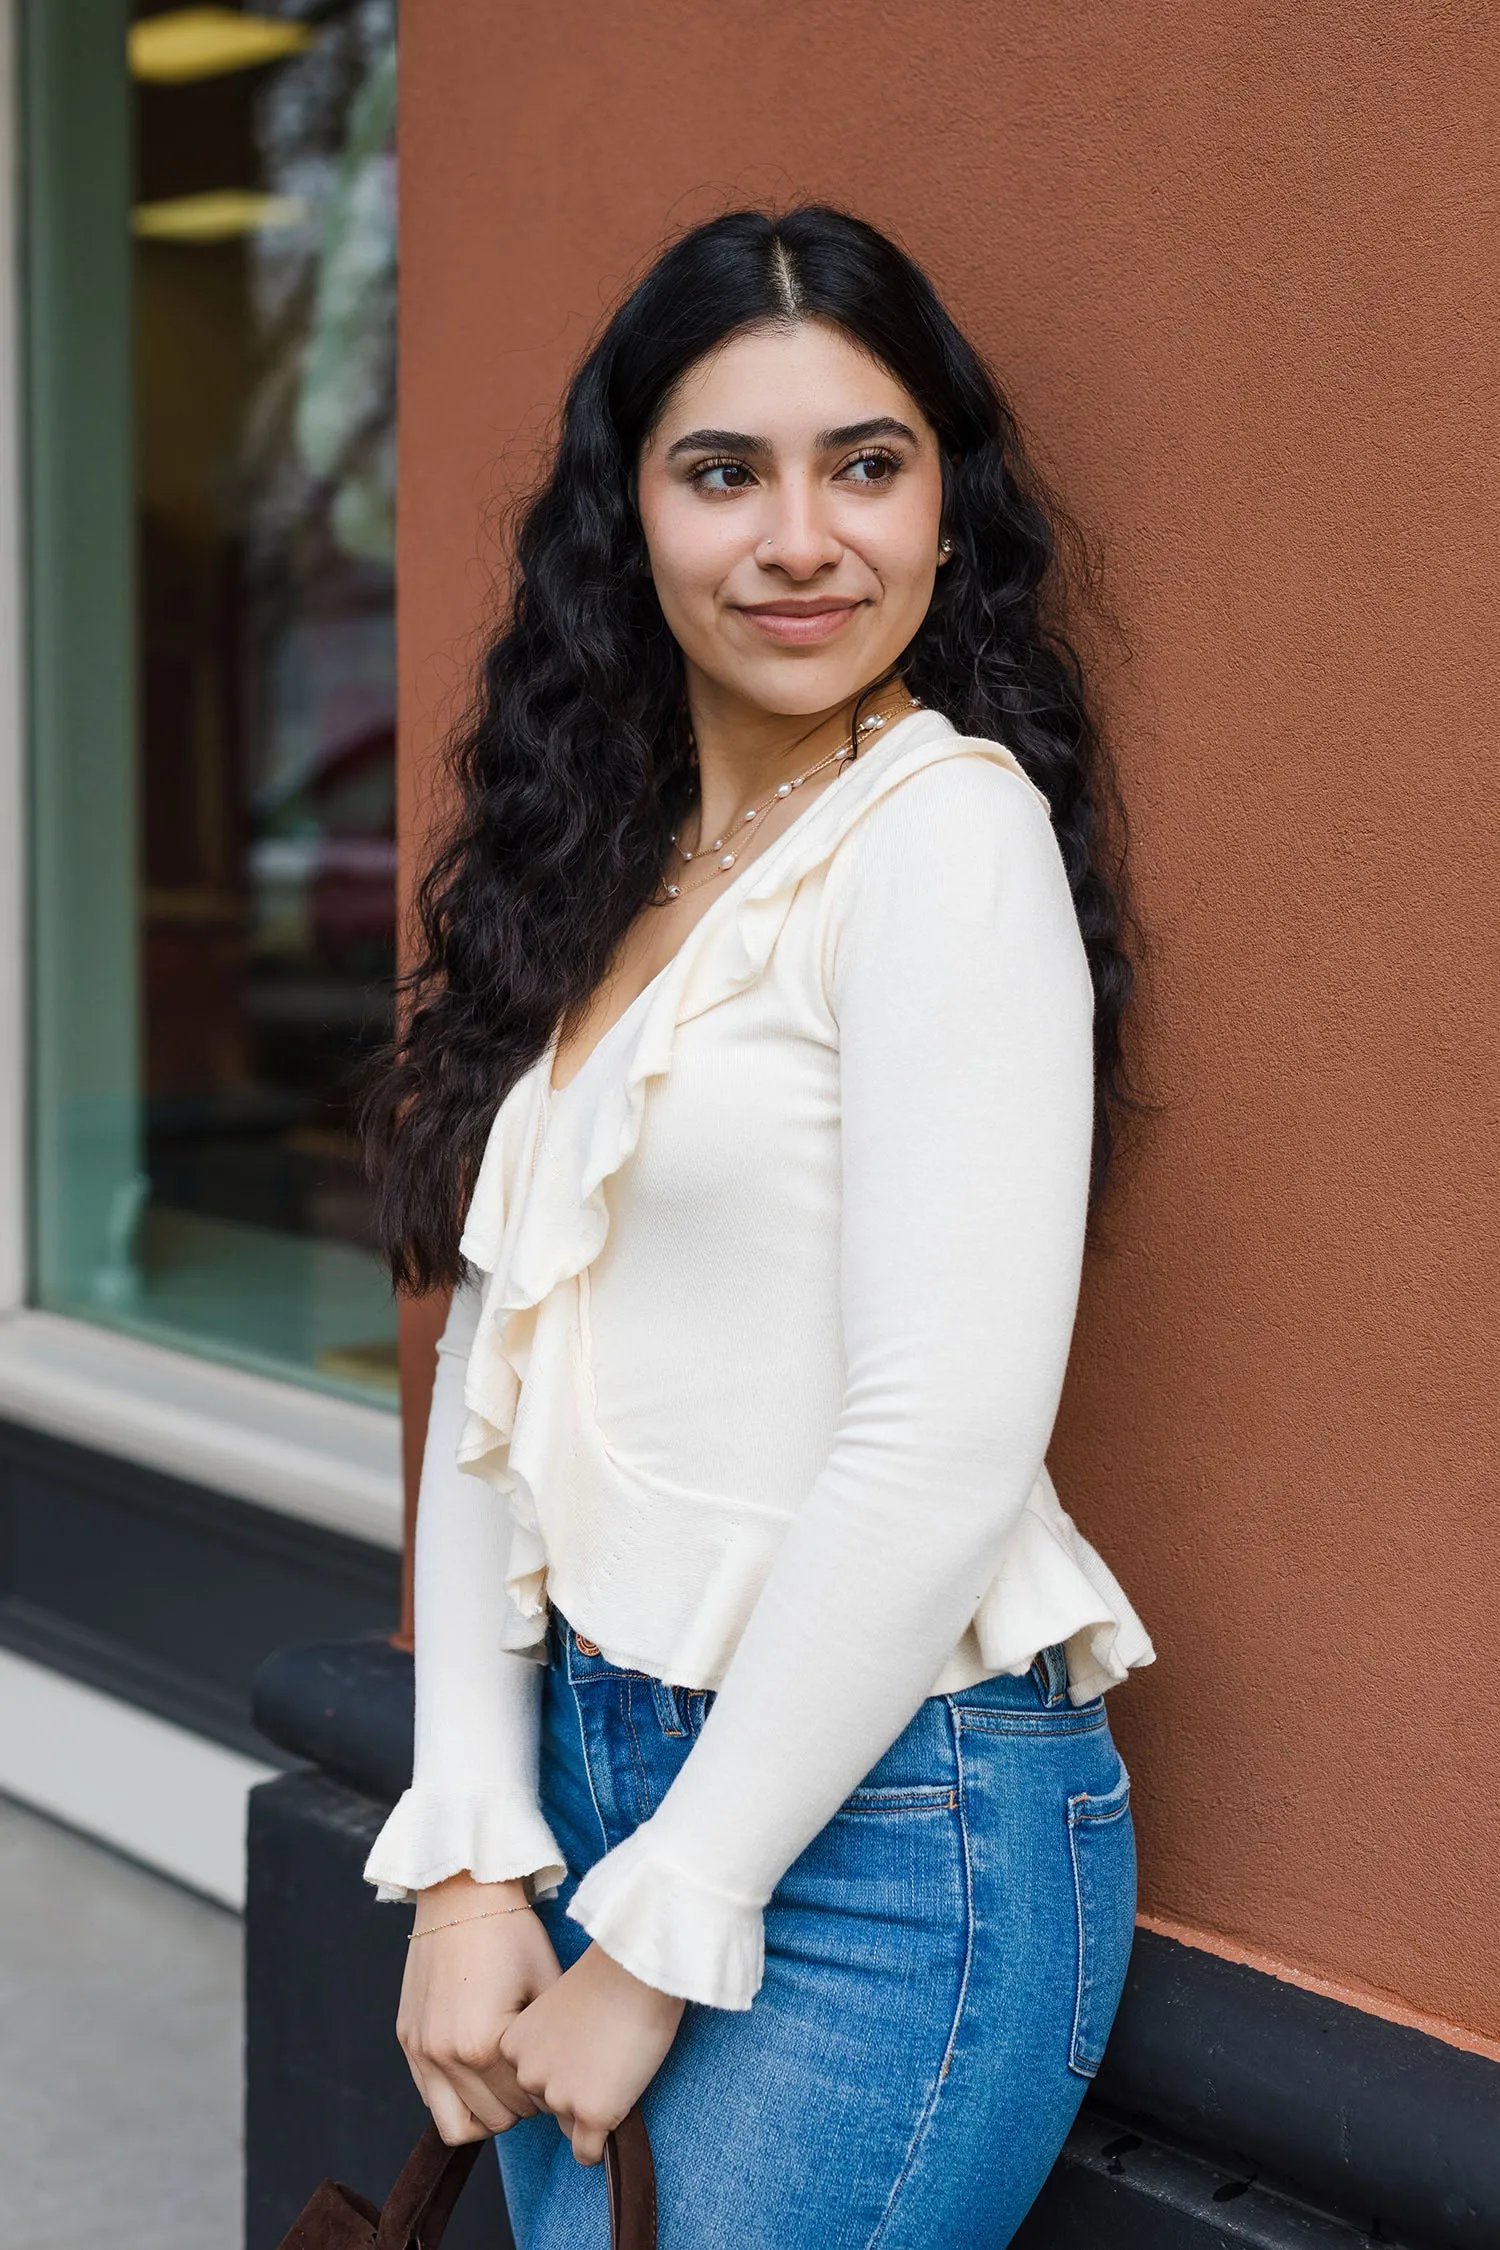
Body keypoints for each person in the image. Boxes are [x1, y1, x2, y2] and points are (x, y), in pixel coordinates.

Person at [360, 205, 1155, 2250]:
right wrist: (473, 1857)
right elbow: (494, 1375)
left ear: (946, 514)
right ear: (628, 519)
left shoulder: (944, 842)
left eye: (865, 465)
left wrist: (664, 1928)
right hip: (597, 1770)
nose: (803, 537)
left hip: (887, 1834)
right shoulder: (612, 866)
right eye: (727, 471)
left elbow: (939, 1447)